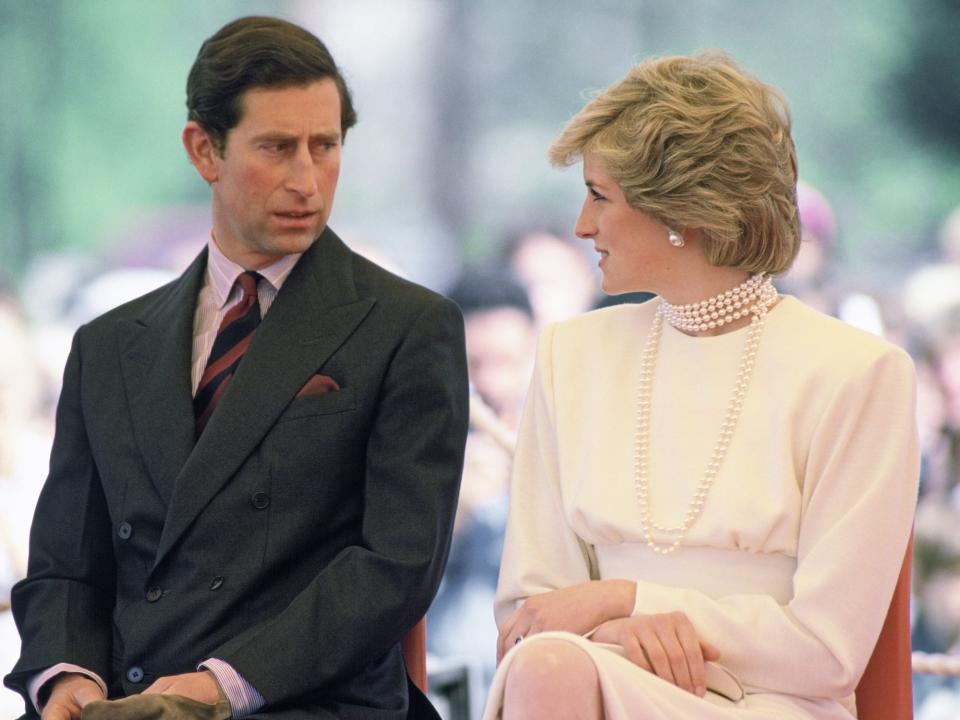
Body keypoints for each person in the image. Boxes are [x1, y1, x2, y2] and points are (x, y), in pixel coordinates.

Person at [4, 16, 469, 720]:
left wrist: (219, 686)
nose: (307, 180)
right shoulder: (107, 345)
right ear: (203, 150)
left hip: (310, 701)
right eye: (278, 148)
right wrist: (68, 684)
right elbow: (68, 564)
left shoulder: (407, 327)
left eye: (326, 146)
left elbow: (395, 567)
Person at [482, 52, 918, 720]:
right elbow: (529, 618)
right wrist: (614, 631)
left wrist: (630, 599)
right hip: (590, 673)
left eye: (600, 195)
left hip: (775, 703)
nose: (581, 225)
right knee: (545, 666)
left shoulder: (859, 373)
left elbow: (829, 654)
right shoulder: (569, 354)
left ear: (681, 210)